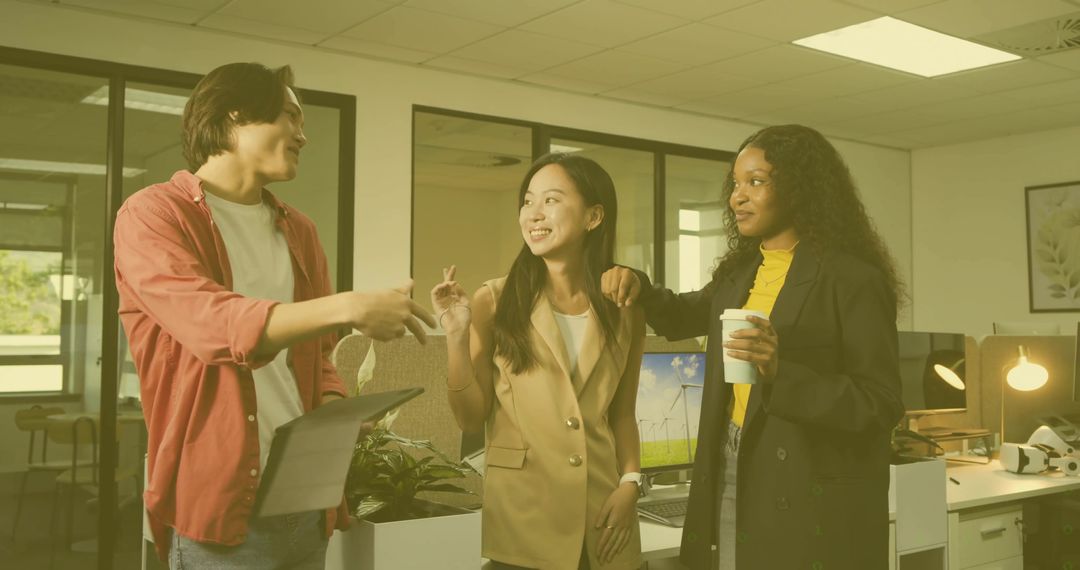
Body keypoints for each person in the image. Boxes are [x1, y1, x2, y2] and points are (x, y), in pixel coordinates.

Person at [114, 62, 435, 568]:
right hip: (221, 511)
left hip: (305, 499)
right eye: (291, 117)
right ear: (237, 115)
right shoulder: (154, 215)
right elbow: (213, 324)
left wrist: (333, 406)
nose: (303, 135)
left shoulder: (299, 231)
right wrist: (349, 306)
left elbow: (315, 356)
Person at [601, 124, 905, 570]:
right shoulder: (739, 273)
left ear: (800, 187)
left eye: (756, 182)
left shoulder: (853, 279)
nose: (737, 197)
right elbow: (685, 313)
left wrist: (782, 371)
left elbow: (881, 404)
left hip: (805, 479)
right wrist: (638, 285)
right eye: (736, 184)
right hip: (727, 461)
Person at [430, 153, 646, 569]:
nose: (533, 214)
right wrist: (456, 337)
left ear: (594, 216)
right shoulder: (494, 299)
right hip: (525, 519)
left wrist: (630, 483)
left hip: (605, 515)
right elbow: (471, 419)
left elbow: (622, 414)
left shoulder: (625, 308)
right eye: (528, 202)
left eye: (551, 200)